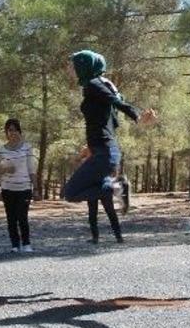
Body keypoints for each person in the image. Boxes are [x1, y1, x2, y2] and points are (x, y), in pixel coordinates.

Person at [63, 50, 156, 242]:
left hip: (104, 154)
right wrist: (90, 146)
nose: (69, 69)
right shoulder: (95, 86)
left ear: (83, 66)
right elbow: (108, 124)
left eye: (72, 65)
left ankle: (117, 187)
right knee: (93, 193)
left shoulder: (93, 84)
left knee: (70, 193)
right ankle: (104, 229)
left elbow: (116, 101)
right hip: (104, 151)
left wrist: (137, 117)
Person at [0, 119, 36, 252]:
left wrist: (36, 187)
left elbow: (32, 169)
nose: (13, 133)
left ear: (19, 132)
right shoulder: (1, 149)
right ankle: (15, 245)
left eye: (15, 130)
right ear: (6, 132)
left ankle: (26, 244)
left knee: (22, 216)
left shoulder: (27, 147)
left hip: (24, 188)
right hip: (7, 188)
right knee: (11, 218)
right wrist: (5, 169)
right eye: (10, 130)